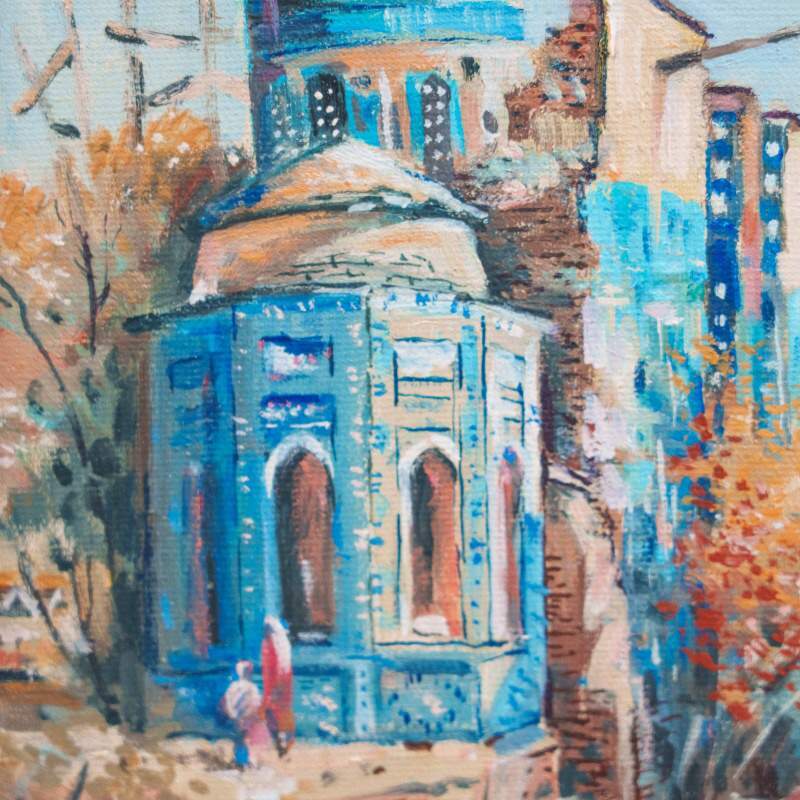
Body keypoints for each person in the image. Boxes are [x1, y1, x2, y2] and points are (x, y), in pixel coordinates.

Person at [220, 660, 269, 767]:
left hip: (235, 716)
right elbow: (255, 703)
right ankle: (247, 760)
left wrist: (233, 714)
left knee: (239, 738)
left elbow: (228, 701)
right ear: (248, 672)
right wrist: (252, 716)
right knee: (249, 739)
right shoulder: (251, 687)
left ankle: (237, 759)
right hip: (247, 717)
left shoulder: (233, 686)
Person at [261, 616, 295, 756]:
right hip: (277, 686)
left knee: (276, 715)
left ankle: (283, 742)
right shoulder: (276, 644)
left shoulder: (275, 644)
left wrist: (273, 690)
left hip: (277, 686)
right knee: (276, 715)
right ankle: (282, 742)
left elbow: (276, 669)